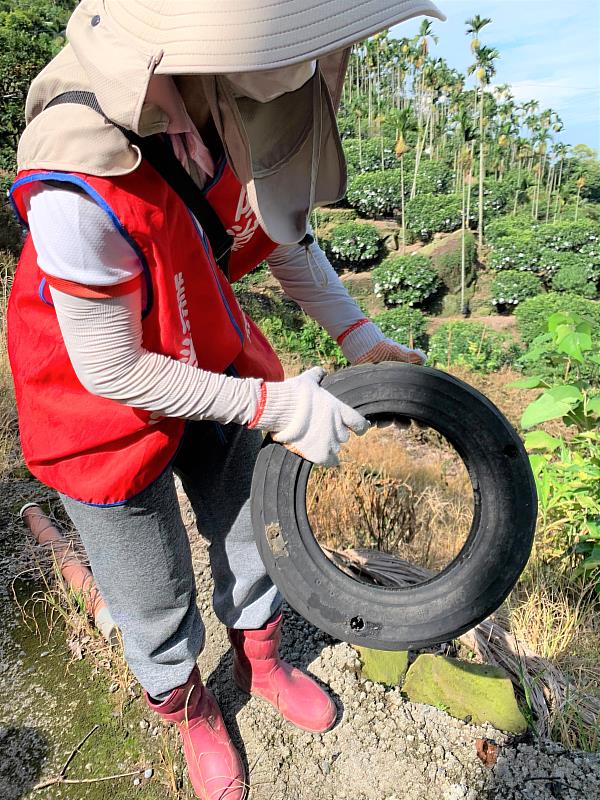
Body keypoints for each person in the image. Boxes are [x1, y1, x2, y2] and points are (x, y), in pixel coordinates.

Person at [7, 1, 444, 798]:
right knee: (149, 590)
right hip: (96, 402)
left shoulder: (237, 102)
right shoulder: (79, 164)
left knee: (253, 524)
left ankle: (263, 659)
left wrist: (357, 334)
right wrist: (275, 408)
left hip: (204, 343)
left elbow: (281, 232)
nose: (304, 64)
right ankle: (191, 703)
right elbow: (110, 367)